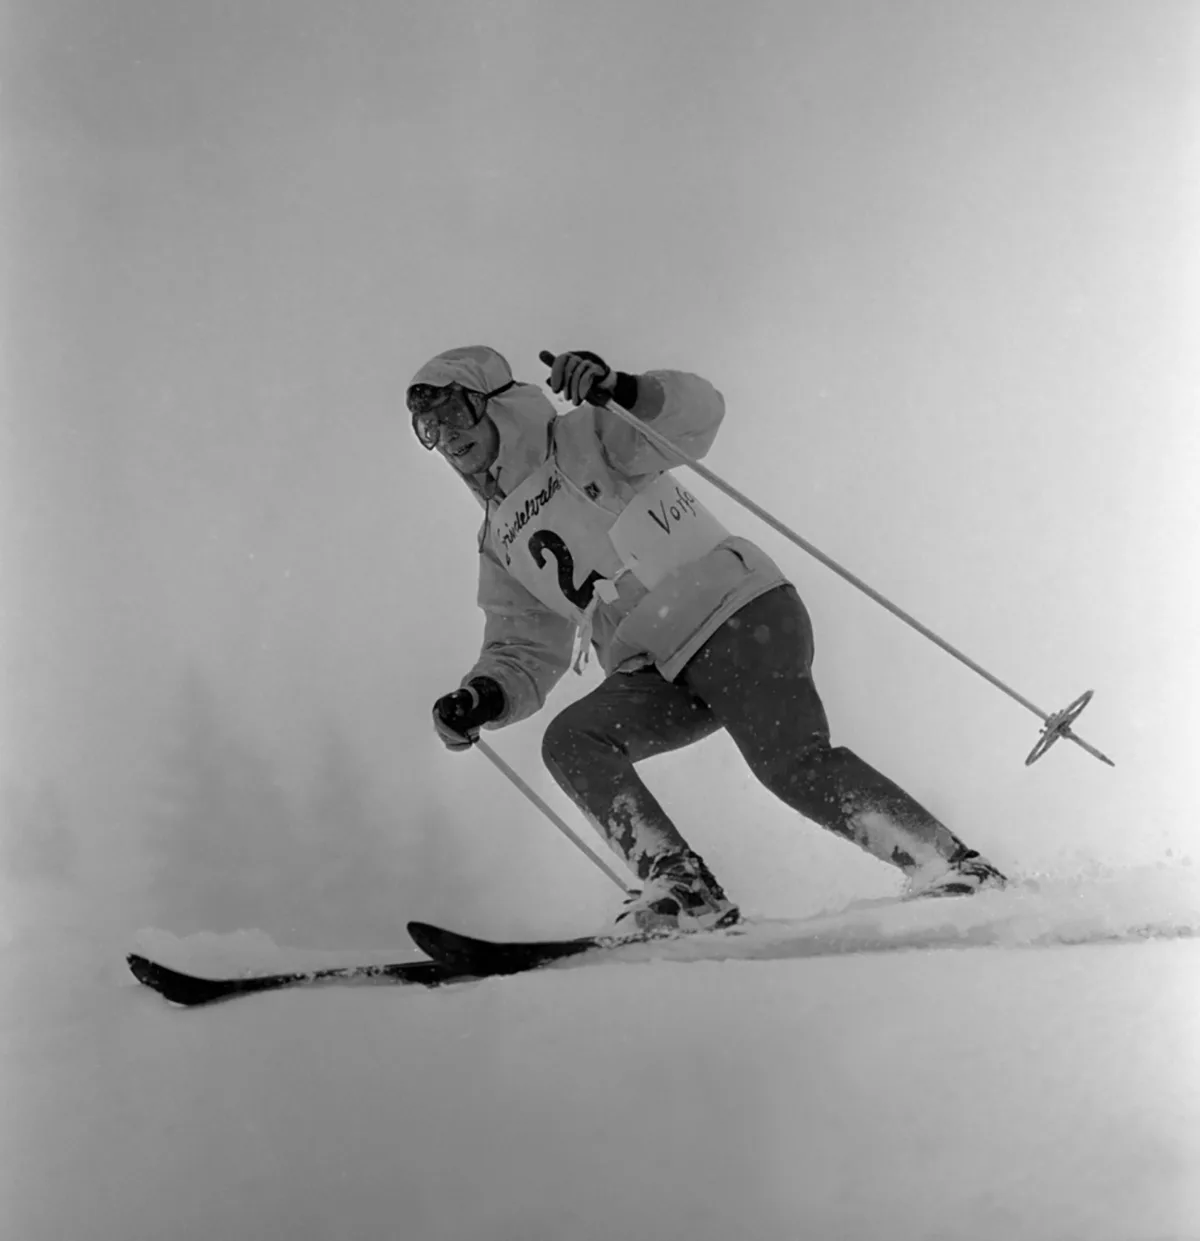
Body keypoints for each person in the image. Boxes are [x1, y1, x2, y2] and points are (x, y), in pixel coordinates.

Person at [408, 345, 1005, 934]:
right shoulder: (498, 540)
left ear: (497, 405)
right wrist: (485, 694)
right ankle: (682, 888)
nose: (448, 436)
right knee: (573, 741)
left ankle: (950, 864)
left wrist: (622, 388)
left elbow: (697, 416)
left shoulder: (585, 436)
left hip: (733, 613)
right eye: (429, 427)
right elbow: (523, 643)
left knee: (789, 764)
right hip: (657, 665)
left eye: (456, 413)